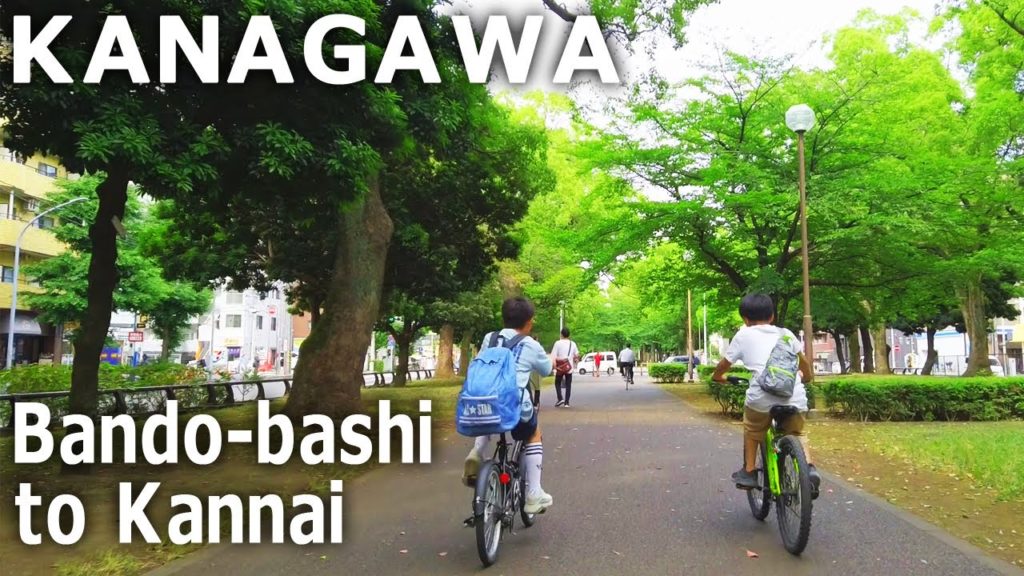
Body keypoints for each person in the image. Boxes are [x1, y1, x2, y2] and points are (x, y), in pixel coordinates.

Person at [711, 293, 821, 493]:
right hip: (793, 395)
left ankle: (749, 472)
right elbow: (803, 362)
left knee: (752, 430)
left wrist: (718, 377)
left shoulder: (743, 335)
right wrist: (805, 378)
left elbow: (724, 364)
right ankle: (809, 469)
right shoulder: (786, 334)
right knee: (797, 433)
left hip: (761, 398)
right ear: (772, 316)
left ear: (745, 319)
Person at [463, 297, 554, 514]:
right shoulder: (531, 344)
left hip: (481, 403)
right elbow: (546, 370)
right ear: (529, 322)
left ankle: (476, 452)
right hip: (514, 407)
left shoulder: (490, 338)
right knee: (533, 433)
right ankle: (533, 494)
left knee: (490, 408)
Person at [550, 328, 579, 408]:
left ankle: (560, 398)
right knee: (568, 384)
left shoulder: (557, 343)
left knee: (557, 382)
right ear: (569, 335)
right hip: (569, 367)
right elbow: (576, 355)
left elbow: (553, 356)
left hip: (560, 367)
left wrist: (554, 365)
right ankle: (567, 402)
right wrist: (575, 360)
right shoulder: (572, 343)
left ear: (561, 334)